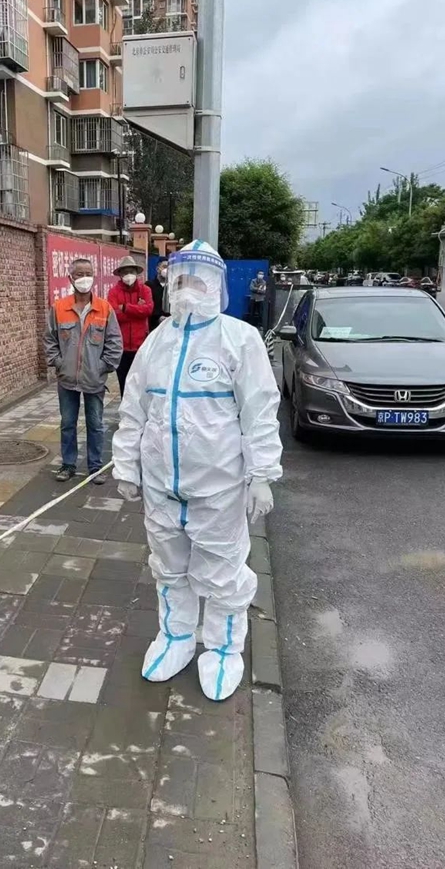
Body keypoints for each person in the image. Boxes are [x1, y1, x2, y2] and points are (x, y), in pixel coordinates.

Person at [112, 240, 282, 701]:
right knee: (169, 570)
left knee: (223, 574)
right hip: (161, 488)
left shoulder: (238, 339)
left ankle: (224, 649)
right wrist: (126, 465)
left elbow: (260, 412)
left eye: (199, 280)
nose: (189, 287)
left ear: (216, 285)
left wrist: (262, 475)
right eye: (182, 278)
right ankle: (176, 637)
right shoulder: (157, 341)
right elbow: (134, 409)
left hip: (218, 488)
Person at [44, 258, 122, 484]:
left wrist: (103, 366)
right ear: (71, 278)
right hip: (67, 378)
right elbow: (49, 339)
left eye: (88, 273)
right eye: (79, 274)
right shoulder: (59, 308)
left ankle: (95, 467)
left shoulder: (104, 308)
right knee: (68, 423)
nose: (84, 278)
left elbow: (114, 342)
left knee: (95, 425)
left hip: (94, 379)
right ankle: (68, 465)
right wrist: (58, 362)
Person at [107, 256, 154, 397]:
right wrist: (137, 311)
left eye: (131, 271)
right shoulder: (113, 292)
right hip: (121, 346)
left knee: (141, 382)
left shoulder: (145, 290)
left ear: (136, 273)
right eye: (125, 272)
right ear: (120, 274)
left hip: (141, 345)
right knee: (124, 382)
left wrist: (126, 307)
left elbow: (148, 310)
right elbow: (114, 314)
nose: (128, 275)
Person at [149, 260, 170, 331]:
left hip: (169, 325)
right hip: (153, 325)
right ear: (158, 269)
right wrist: (158, 317)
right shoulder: (149, 285)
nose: (167, 269)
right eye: (164, 267)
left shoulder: (173, 286)